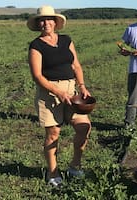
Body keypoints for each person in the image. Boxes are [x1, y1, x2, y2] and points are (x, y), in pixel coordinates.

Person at [27, 5, 92, 187]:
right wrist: (58, 92)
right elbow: (37, 76)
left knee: (84, 127)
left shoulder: (66, 40)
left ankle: (75, 165)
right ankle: (53, 173)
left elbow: (76, 65)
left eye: (49, 19)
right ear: (38, 23)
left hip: (71, 90)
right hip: (49, 92)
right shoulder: (36, 46)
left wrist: (82, 86)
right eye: (42, 20)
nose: (45, 23)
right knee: (53, 133)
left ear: (55, 22)